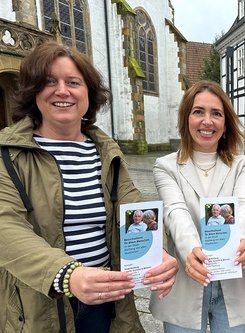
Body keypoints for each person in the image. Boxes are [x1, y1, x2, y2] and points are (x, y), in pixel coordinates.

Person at [0, 41, 178, 333]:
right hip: (35, 305)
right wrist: (69, 275)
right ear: (33, 92)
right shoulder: (8, 152)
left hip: (103, 301)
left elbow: (136, 210)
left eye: (73, 82)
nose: (62, 90)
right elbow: (6, 228)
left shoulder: (107, 152)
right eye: (49, 82)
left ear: (88, 93)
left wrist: (158, 252)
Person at [150, 80, 245, 332]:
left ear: (225, 123)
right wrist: (192, 253)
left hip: (232, 279)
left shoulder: (241, 164)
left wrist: (242, 240)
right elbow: (175, 211)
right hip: (186, 281)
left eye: (216, 114)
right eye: (198, 111)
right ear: (186, 118)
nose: (207, 121)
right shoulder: (166, 166)